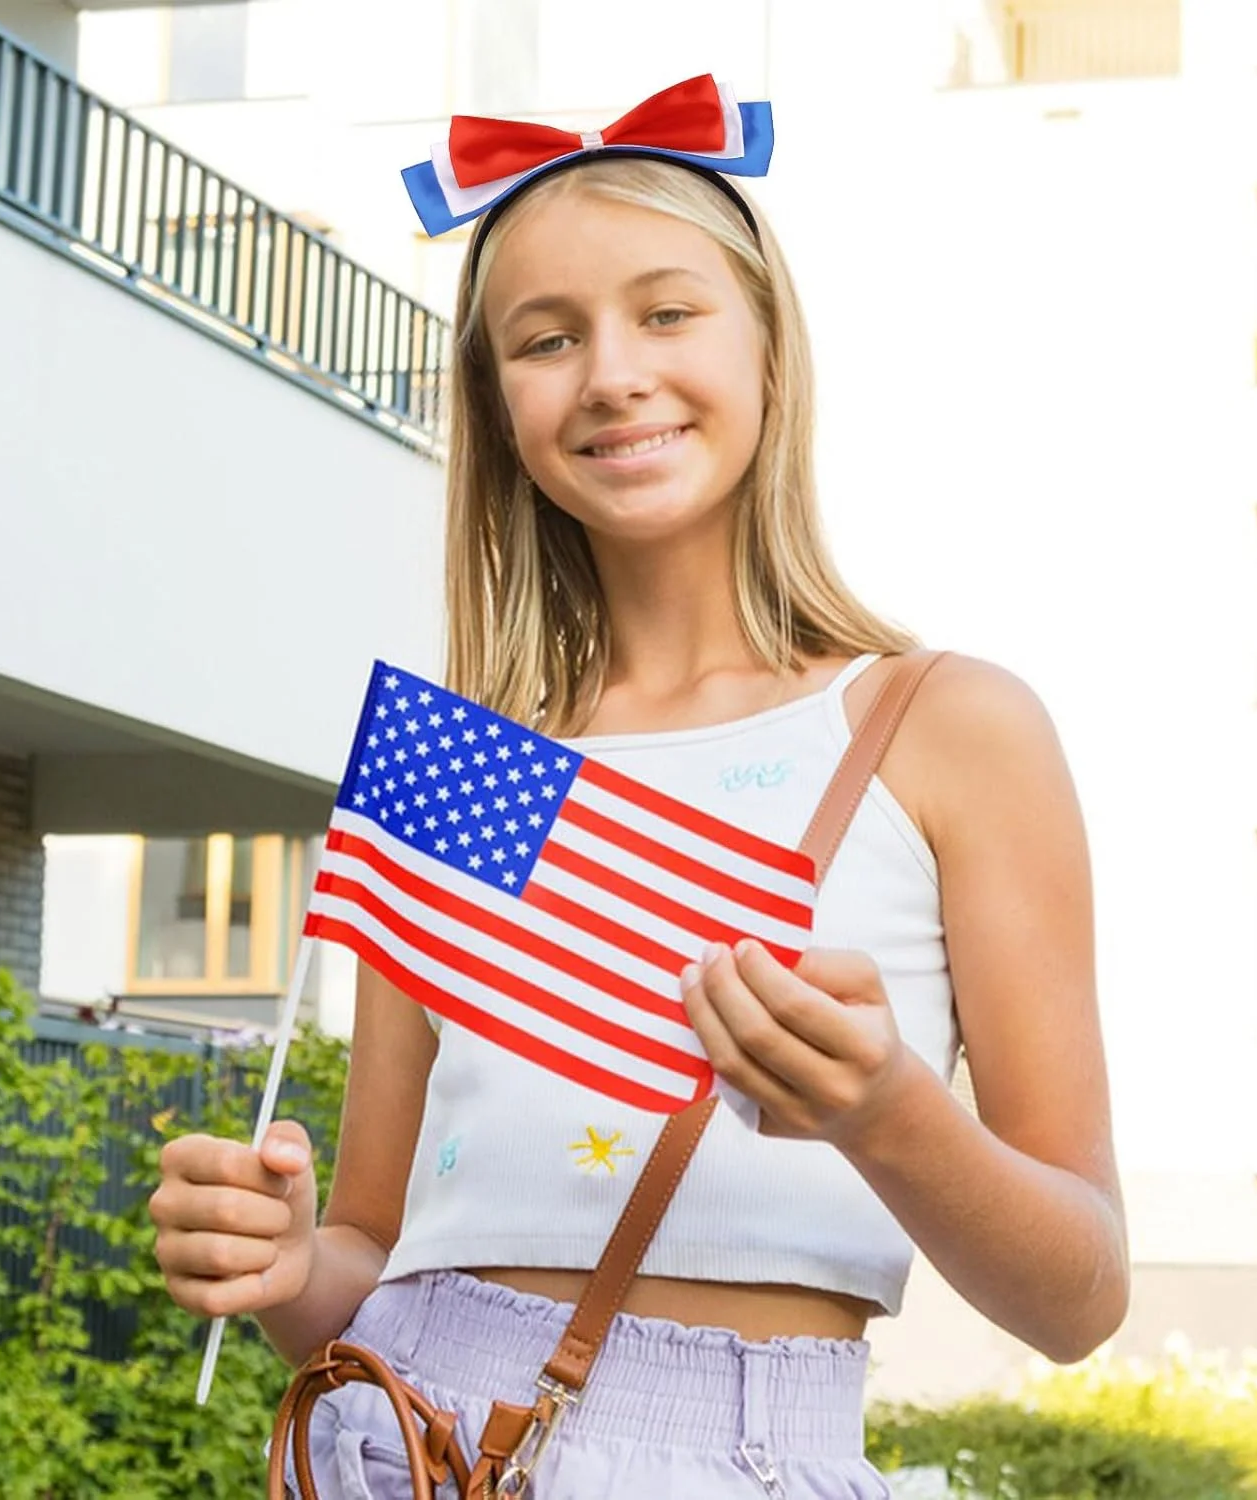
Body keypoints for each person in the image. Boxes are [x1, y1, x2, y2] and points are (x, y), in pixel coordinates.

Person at [150, 77, 1128, 1499]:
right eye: (546, 339)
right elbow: (371, 1255)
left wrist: (888, 1113)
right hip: (416, 1449)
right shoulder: (459, 761)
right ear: (500, 406)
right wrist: (290, 1264)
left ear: (771, 349)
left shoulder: (942, 727)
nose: (611, 373)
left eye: (667, 313)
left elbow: (1080, 1298)